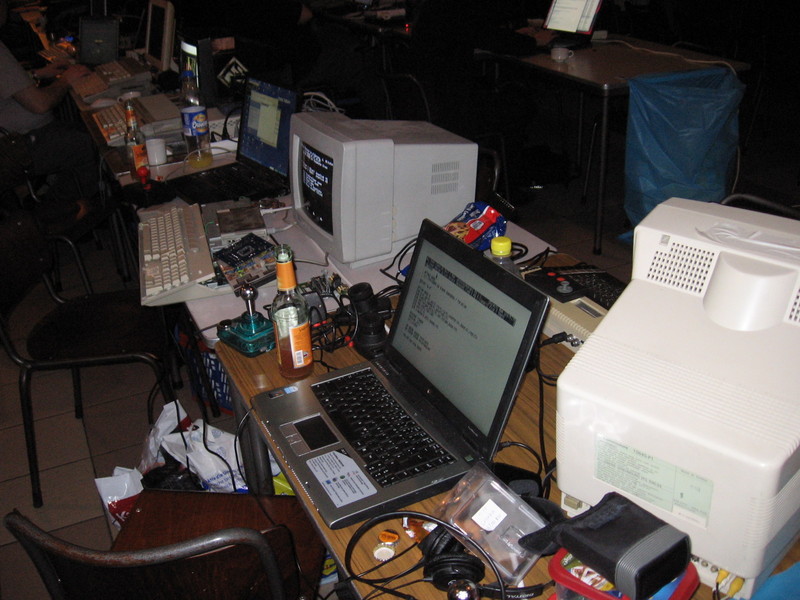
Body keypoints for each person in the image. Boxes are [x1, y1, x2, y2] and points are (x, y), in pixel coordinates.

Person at [409, 0, 556, 187]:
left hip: (431, 98)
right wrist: (535, 41)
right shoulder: (457, 8)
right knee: (520, 105)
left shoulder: (436, 7)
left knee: (504, 96)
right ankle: (506, 184)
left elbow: (478, 33)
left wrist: (513, 35)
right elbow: (490, 38)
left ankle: (497, 175)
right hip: (453, 107)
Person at [1, 0, 100, 221]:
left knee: (78, 129)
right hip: (15, 147)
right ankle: (55, 215)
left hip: (14, 140)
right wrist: (66, 80)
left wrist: (37, 74)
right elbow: (41, 104)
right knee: (88, 142)